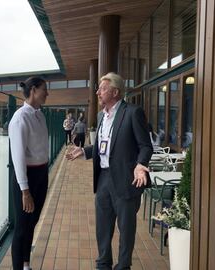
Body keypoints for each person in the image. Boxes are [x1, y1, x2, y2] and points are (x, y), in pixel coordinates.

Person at [66, 72, 153, 270]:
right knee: (102, 227)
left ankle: (123, 266)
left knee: (126, 229)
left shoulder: (132, 112)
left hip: (125, 179)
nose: (97, 92)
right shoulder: (100, 115)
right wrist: (85, 151)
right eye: (98, 88)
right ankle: (103, 264)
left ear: (115, 91)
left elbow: (146, 146)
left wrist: (140, 165)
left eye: (102, 89)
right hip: (103, 178)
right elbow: (103, 145)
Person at [8, 76, 49, 270]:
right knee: (22, 228)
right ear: (33, 90)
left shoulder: (39, 114)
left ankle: (26, 263)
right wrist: (25, 191)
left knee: (32, 222)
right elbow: (18, 157)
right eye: (44, 89)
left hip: (41, 173)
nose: (47, 93)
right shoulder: (20, 118)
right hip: (26, 178)